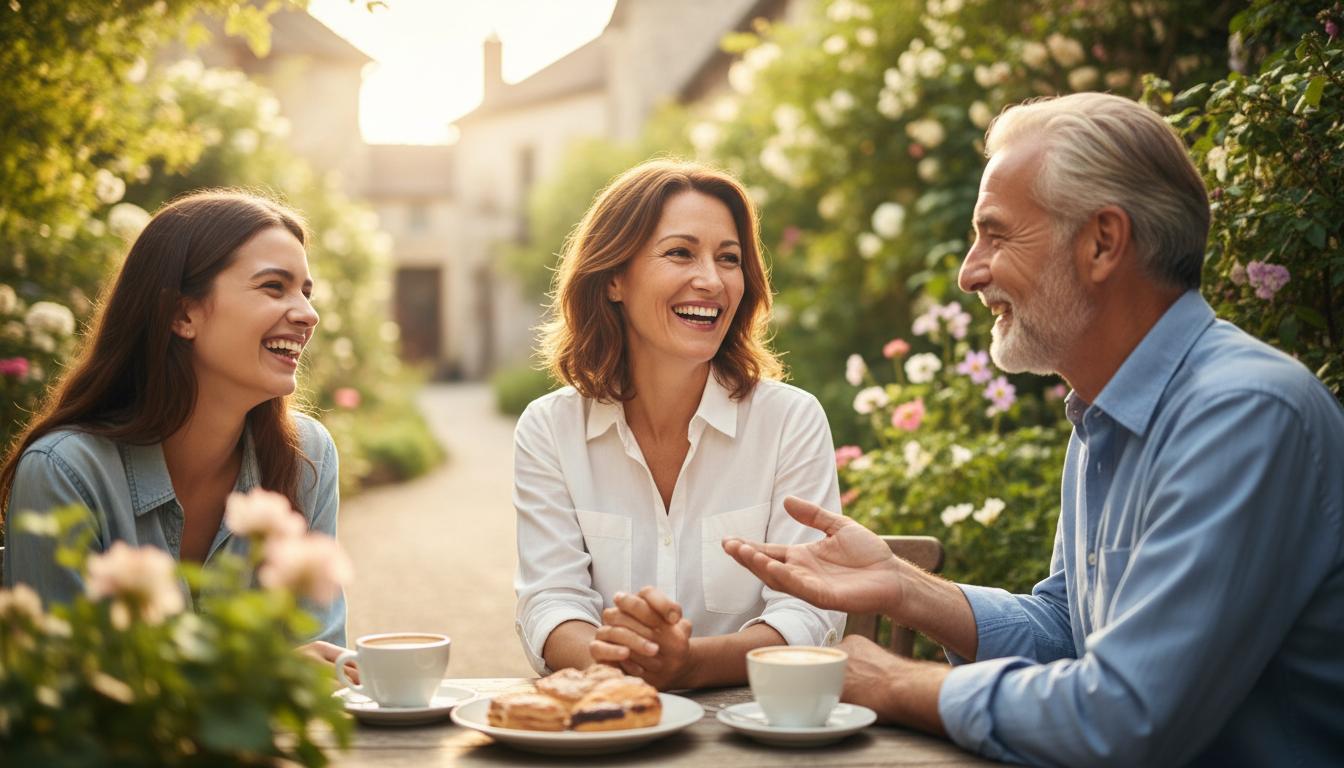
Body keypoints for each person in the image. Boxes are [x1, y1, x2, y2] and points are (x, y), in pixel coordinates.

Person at [724, 92, 1344, 766]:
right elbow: (1068, 634)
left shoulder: (1244, 414)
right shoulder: (1102, 416)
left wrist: (898, 683)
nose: (969, 272)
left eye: (994, 233)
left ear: (1102, 242)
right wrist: (907, 589)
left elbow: (1127, 719)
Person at [513, 160, 845, 690]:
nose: (711, 280)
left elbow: (809, 612)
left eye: (729, 259)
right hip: (614, 725)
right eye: (680, 253)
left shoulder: (790, 421)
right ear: (615, 278)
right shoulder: (549, 430)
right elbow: (550, 602)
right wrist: (624, 660)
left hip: (756, 731)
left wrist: (689, 663)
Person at [1, 190, 348, 666]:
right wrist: (257, 677)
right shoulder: (64, 471)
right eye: (274, 286)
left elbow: (323, 659)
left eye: (305, 292)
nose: (308, 314)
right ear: (182, 313)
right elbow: (61, 694)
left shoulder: (308, 455)